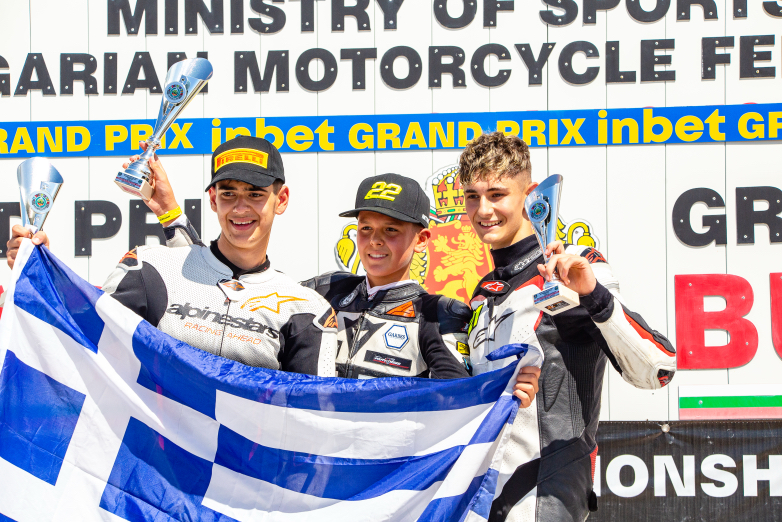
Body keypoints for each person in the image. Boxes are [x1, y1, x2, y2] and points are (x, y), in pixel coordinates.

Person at [130, 158, 541, 404]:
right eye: (366, 229)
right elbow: (240, 290)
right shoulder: (325, 291)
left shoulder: (440, 314)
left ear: (422, 240)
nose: (375, 242)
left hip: (384, 479)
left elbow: (459, 402)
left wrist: (507, 390)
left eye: (391, 231)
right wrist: (172, 217)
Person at [459, 132, 677, 521]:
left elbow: (659, 368)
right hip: (480, 502)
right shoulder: (484, 293)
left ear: (529, 196)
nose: (483, 209)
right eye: (473, 196)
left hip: (545, 501)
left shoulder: (571, 268)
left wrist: (592, 295)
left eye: (496, 194)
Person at [6, 137, 338, 377]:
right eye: (228, 193)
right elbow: (83, 334)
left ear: (281, 199)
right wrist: (39, 271)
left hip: (245, 459)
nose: (240, 208)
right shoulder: (151, 268)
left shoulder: (306, 310)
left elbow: (316, 420)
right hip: (153, 456)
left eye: (255, 194)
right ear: (213, 199)